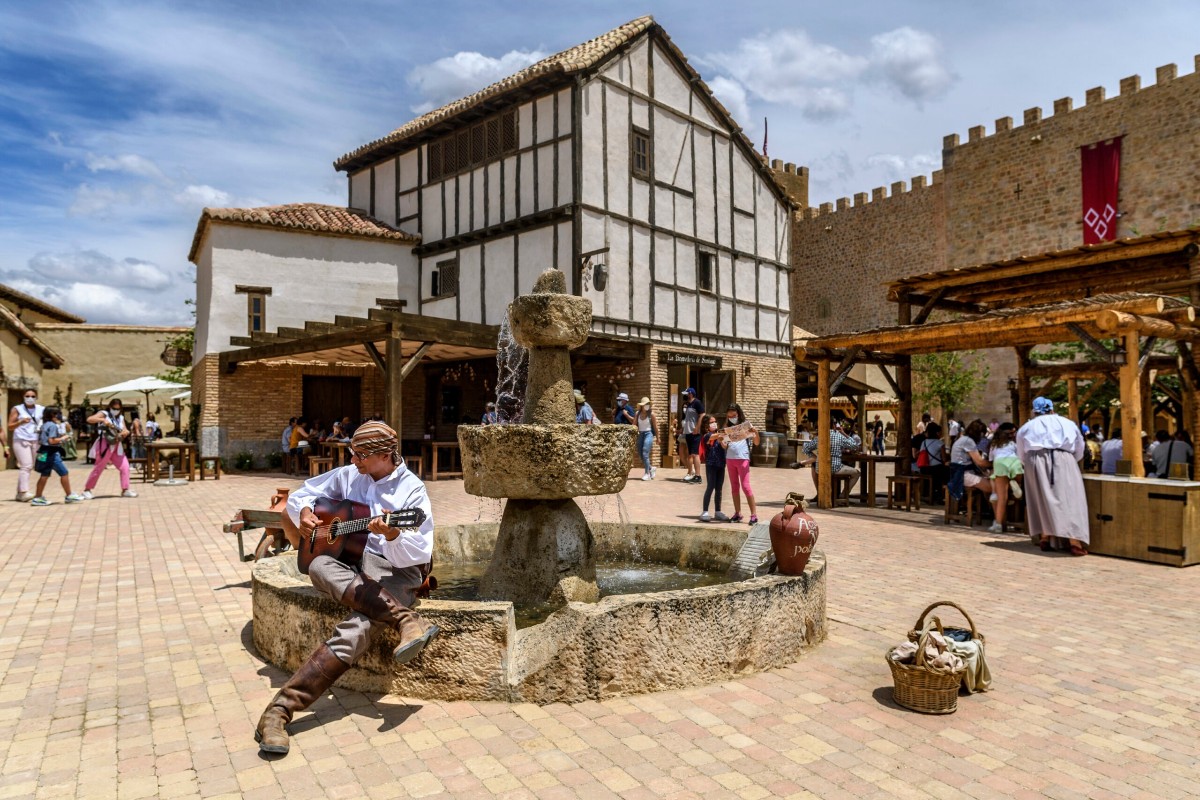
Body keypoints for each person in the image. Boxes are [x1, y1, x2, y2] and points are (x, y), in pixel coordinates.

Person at [257, 421, 438, 756]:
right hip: (356, 563)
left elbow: (419, 552)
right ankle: (404, 620)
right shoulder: (351, 474)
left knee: (358, 628)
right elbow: (302, 495)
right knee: (319, 564)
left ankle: (278, 711)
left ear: (385, 454)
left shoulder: (412, 493)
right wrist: (308, 511)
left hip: (397, 569)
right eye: (353, 454)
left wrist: (392, 533)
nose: (354, 461)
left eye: (361, 456)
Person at [1016, 396, 1089, 556]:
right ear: (1052, 408)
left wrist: (1030, 464)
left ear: (1034, 411)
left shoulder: (1027, 427)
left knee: (1040, 498)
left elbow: (1021, 452)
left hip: (1034, 459)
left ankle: (1044, 537)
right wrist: (1070, 461)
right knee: (1071, 499)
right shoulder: (1068, 423)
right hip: (1064, 457)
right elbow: (1079, 448)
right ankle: (1074, 541)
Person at [82, 399, 137, 499]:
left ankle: (125, 489)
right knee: (99, 467)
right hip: (105, 444)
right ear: (110, 407)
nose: (115, 410)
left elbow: (124, 429)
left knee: (125, 467)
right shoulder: (104, 413)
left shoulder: (120, 417)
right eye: (114, 408)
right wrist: (102, 420)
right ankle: (87, 489)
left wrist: (126, 432)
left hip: (117, 444)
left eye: (118, 409)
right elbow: (89, 419)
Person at [30, 407, 83, 506]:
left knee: (44, 474)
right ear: (52, 415)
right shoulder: (53, 426)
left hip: (43, 451)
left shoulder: (44, 425)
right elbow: (51, 441)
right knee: (63, 472)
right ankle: (69, 495)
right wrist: (63, 438)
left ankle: (38, 497)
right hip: (51, 453)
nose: (58, 416)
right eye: (57, 413)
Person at [799, 421, 860, 500]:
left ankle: (820, 493)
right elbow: (855, 446)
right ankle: (843, 495)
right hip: (835, 468)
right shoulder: (839, 436)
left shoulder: (819, 437)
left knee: (814, 466)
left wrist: (815, 457)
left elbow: (805, 449)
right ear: (834, 426)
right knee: (857, 473)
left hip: (820, 469)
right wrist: (844, 433)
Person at [722, 404, 759, 524]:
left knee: (746, 486)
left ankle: (754, 515)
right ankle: (737, 513)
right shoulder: (727, 426)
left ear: (738, 413)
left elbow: (757, 442)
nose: (731, 417)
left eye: (733, 415)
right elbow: (724, 445)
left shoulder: (746, 425)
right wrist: (721, 440)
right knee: (734, 487)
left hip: (742, 458)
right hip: (730, 459)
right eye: (729, 416)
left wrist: (756, 433)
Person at [986, 422, 1023, 534]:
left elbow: (991, 460)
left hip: (1000, 463)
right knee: (1017, 474)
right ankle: (1015, 483)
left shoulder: (994, 445)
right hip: (1014, 462)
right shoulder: (1014, 444)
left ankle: (998, 524)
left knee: (1002, 498)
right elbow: (1020, 457)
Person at [9, 388, 44, 501]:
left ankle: (20, 493)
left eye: (33, 396)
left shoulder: (41, 409)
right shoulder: (17, 409)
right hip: (21, 439)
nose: (30, 398)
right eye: (27, 396)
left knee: (30, 466)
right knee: (26, 465)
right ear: (23, 397)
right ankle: (24, 492)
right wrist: (20, 422)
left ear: (36, 397)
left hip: (36, 439)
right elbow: (10, 426)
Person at [947, 419, 993, 505]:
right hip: (962, 474)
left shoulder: (964, 439)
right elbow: (980, 462)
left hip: (959, 473)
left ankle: (990, 510)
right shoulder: (968, 441)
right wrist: (994, 463)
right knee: (991, 487)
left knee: (990, 484)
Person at [698, 415, 728, 521]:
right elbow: (712, 437)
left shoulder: (719, 435)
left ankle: (718, 511)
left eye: (715, 421)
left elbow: (725, 446)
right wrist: (724, 433)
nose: (714, 423)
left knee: (719, 488)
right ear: (706, 425)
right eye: (711, 422)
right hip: (711, 464)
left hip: (721, 464)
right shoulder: (707, 435)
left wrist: (723, 440)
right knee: (710, 486)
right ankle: (705, 511)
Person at [918, 422, 948, 504]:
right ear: (937, 432)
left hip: (924, 469)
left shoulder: (923, 442)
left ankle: (928, 494)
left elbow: (921, 454)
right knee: (946, 472)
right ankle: (940, 495)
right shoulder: (940, 443)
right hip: (936, 470)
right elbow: (944, 459)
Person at [679, 388, 704, 483]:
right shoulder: (688, 404)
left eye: (686, 394)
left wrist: (697, 427)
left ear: (690, 394)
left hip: (694, 432)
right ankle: (692, 474)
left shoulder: (697, 403)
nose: (685, 395)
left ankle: (698, 475)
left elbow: (702, 414)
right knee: (690, 454)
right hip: (688, 432)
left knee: (695, 454)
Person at [635, 397, 657, 480]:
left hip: (648, 434)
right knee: (641, 454)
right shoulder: (637, 413)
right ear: (642, 406)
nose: (647, 406)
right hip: (640, 434)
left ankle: (647, 473)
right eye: (645, 404)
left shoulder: (651, 414)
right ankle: (651, 468)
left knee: (645, 452)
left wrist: (658, 438)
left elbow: (655, 427)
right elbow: (634, 425)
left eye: (648, 404)